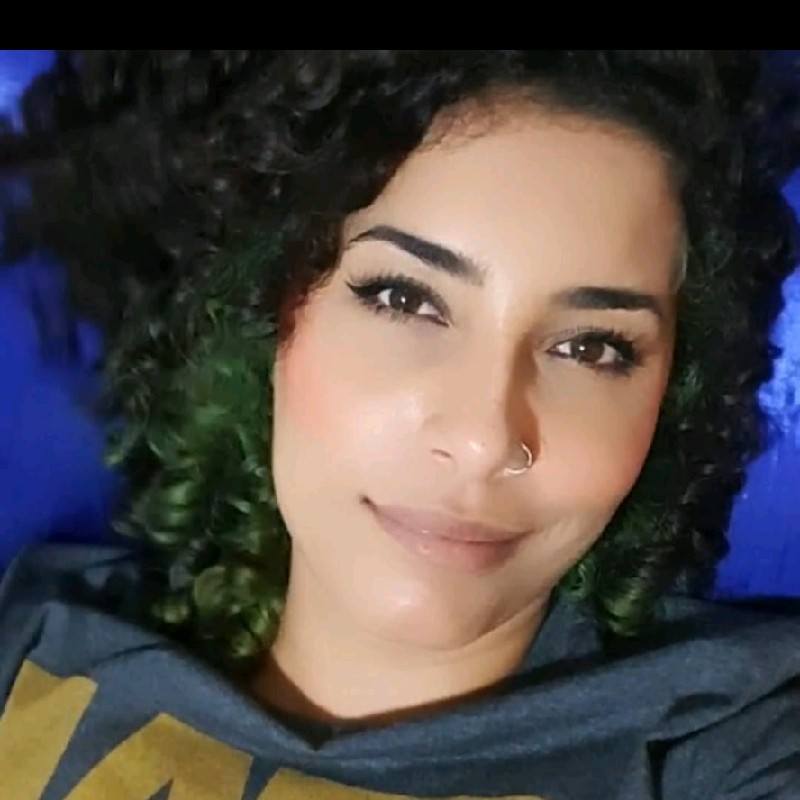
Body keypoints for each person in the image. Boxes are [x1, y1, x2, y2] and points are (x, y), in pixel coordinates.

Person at [1, 50, 799, 799]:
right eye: (405, 300)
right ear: (264, 310)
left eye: (591, 347)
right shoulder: (40, 637)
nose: (484, 439)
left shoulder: (720, 741)